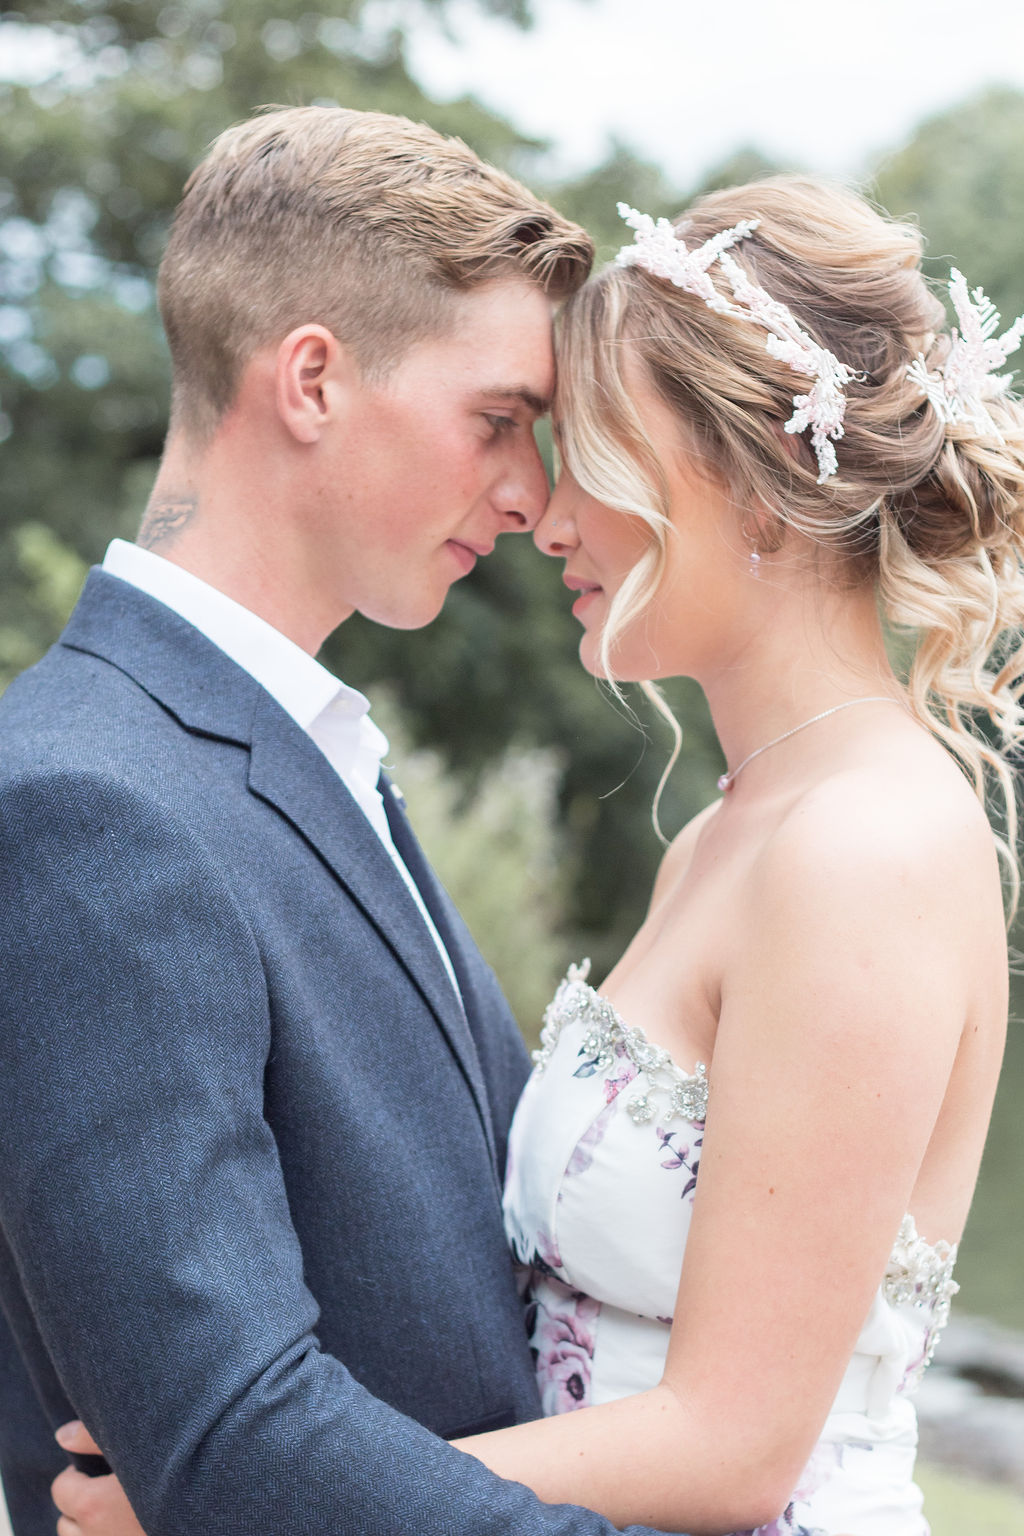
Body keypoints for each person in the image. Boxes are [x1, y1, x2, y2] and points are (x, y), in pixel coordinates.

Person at [51, 174, 1024, 1536]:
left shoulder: (863, 847)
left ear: (747, 479)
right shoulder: (725, 840)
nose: (548, 518)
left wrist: (245, 1497)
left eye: (592, 458)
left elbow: (737, 1443)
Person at [0, 104, 687, 1536]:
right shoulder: (87, 807)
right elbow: (230, 1431)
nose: (528, 496)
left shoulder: (298, 754)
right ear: (310, 379)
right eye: (499, 422)